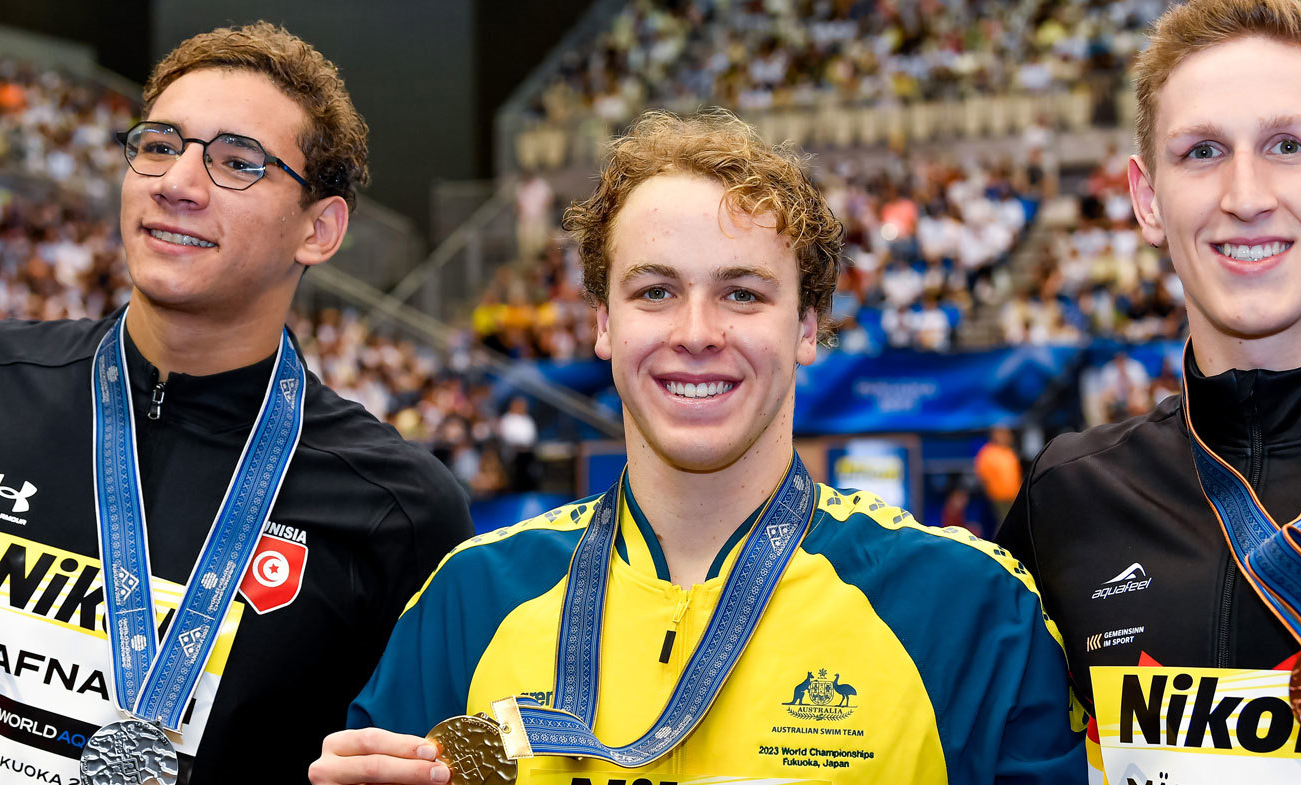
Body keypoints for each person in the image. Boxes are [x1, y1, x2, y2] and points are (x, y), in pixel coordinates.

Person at [309, 109, 1084, 784]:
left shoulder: (971, 611)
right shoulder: (470, 602)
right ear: (604, 324)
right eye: (655, 291)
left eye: (742, 292)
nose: (695, 333)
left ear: (808, 326)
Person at [0, 22, 471, 784]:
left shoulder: (400, 513)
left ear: (318, 230)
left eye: (236, 162)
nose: (177, 182)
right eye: (159, 145)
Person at [996, 0, 1301, 778]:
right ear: (1147, 200)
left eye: (1288, 144)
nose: (1245, 195)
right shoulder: (1069, 498)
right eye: (1202, 151)